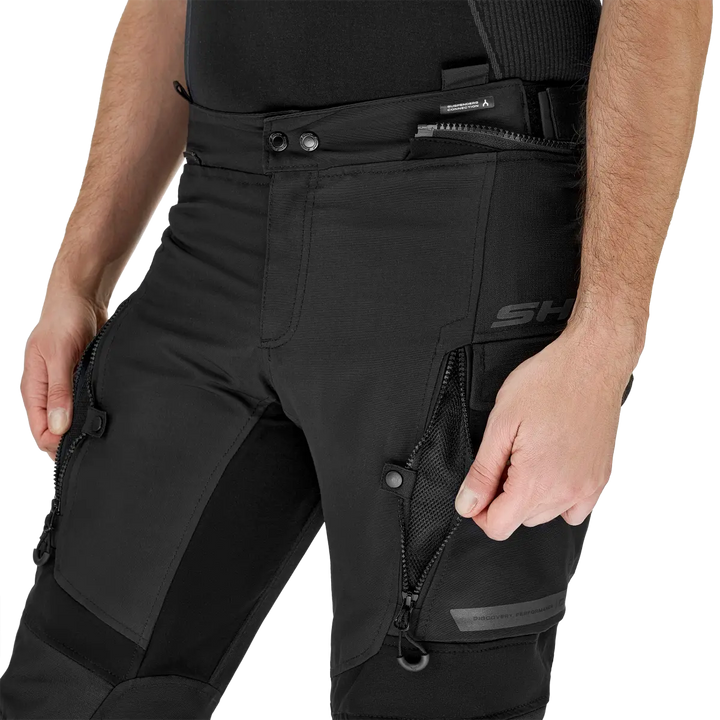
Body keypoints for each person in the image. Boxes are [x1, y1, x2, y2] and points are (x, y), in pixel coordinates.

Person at [1, 1, 712, 718]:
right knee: (72, 688)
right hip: (216, 226)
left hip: (460, 217)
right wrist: (79, 277)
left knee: (431, 690)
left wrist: (603, 345)